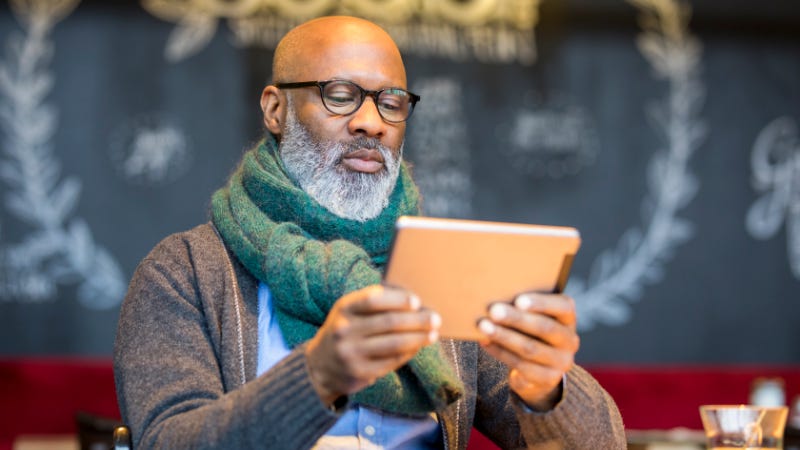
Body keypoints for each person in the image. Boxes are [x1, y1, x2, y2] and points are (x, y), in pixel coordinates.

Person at [114, 16, 626, 449]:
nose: (371, 123)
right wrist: (319, 376)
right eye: (340, 95)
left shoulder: (439, 268)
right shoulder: (183, 272)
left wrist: (545, 388)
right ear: (275, 109)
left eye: (391, 101)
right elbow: (168, 441)